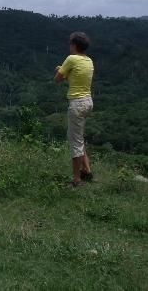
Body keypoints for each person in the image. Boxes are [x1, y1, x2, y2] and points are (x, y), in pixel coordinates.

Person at [54, 31, 94, 187]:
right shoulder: (89, 61)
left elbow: (57, 79)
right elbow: (76, 78)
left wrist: (60, 70)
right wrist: (65, 71)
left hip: (77, 104)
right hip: (88, 102)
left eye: (70, 44)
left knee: (75, 142)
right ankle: (87, 171)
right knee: (79, 138)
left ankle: (77, 179)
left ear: (74, 45)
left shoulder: (71, 59)